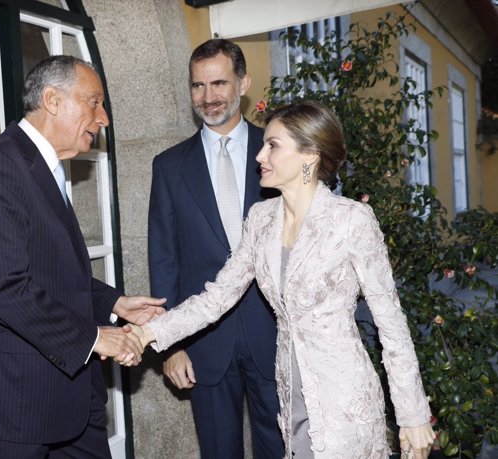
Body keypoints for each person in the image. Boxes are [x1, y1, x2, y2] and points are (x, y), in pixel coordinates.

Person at [136, 100, 436, 458]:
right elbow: (216, 298)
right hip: (288, 389)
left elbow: (391, 324)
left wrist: (413, 415)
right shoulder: (261, 219)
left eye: (273, 146)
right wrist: (147, 333)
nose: (260, 155)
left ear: (308, 155)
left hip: (343, 396)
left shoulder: (351, 220)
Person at [0, 55, 165, 458]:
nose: (103, 118)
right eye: (94, 102)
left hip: (64, 397)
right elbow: (4, 288)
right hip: (7, 404)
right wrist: (97, 338)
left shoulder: (42, 167)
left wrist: (114, 304)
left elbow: (48, 273)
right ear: (53, 100)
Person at [148, 38, 283, 458]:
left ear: (243, 83)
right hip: (203, 342)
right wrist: (171, 346)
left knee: (284, 449)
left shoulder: (281, 152)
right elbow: (163, 260)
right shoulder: (168, 167)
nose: (208, 97)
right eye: (198, 86)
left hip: (277, 334)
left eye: (219, 83)